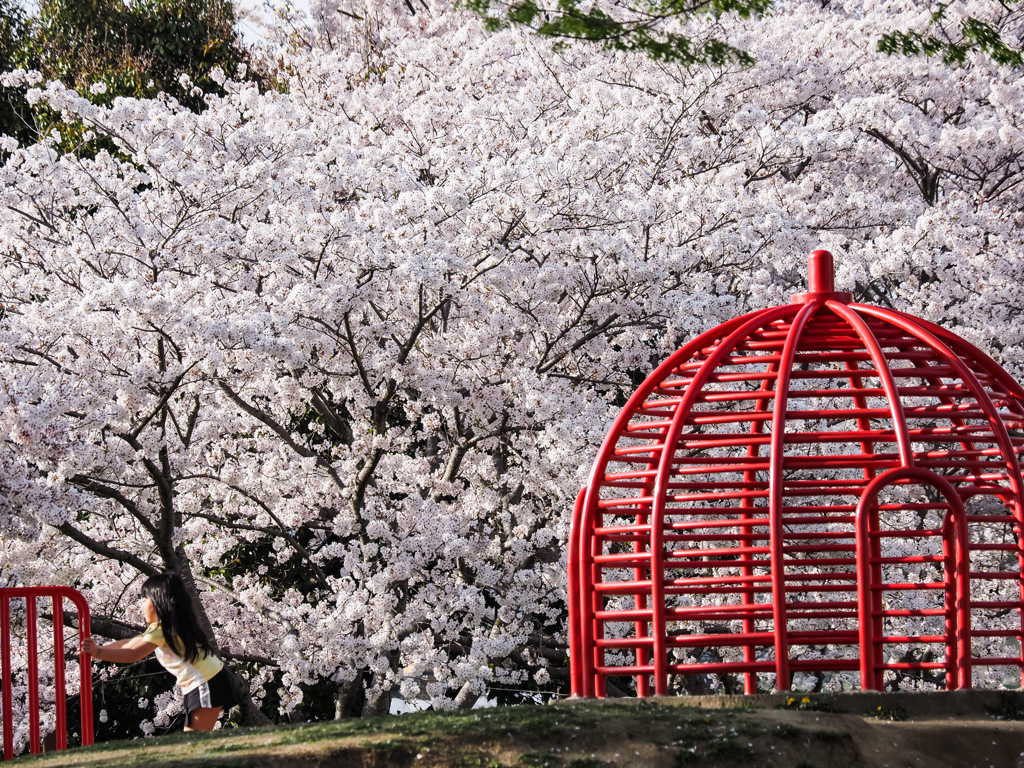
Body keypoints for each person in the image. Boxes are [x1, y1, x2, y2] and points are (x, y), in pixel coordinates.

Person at [81, 572, 240, 731]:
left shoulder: (163, 629)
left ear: (159, 602)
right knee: (196, 741)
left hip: (206, 680)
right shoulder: (165, 627)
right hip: (209, 678)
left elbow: (134, 653)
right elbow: (129, 643)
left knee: (194, 741)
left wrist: (99, 653)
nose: (141, 605)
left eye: (145, 599)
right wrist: (97, 649)